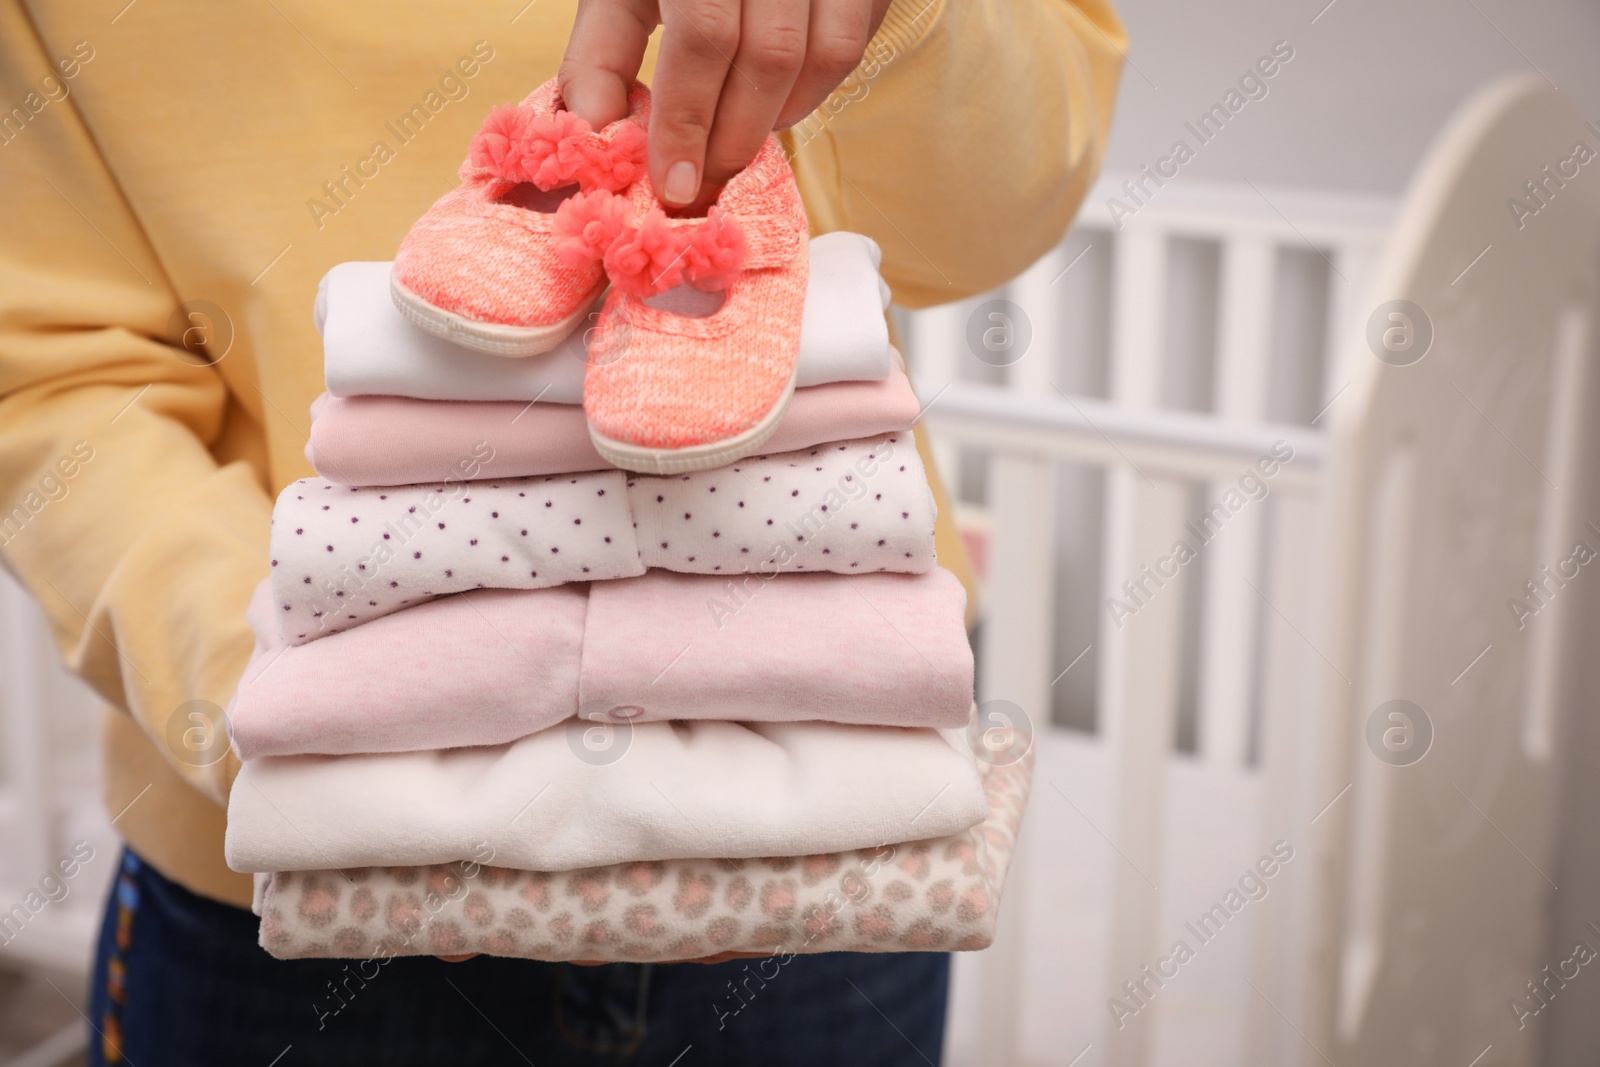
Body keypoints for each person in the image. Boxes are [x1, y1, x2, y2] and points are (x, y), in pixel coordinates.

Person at [0, 0, 1123, 1062]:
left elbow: (990, 217)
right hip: (303, 879)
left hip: (817, 887)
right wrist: (287, 696)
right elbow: (47, 367)